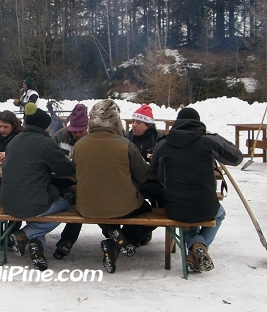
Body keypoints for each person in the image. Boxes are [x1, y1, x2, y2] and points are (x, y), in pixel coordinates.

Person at [151, 107, 243, 273]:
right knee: (219, 214)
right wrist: (216, 137)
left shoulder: (164, 143)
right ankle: (198, 247)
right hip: (206, 206)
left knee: (188, 218)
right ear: (199, 123)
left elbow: (156, 174)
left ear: (177, 124)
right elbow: (236, 157)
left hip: (175, 207)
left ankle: (196, 247)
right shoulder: (208, 141)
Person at [71, 99, 151, 274]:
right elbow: (142, 177)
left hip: (87, 207)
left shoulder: (79, 145)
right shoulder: (125, 145)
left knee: (98, 205)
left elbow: (74, 173)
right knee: (147, 209)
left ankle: (111, 232)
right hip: (123, 206)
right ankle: (124, 237)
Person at [1, 103, 75, 271]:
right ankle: (25, 234)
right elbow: (67, 169)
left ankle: (36, 246)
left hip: (8, 203)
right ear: (44, 126)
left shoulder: (13, 141)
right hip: (32, 203)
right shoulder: (45, 143)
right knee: (66, 207)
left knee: (37, 207)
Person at [51, 103, 88, 260]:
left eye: (81, 130)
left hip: (85, 183)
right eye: (75, 131)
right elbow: (49, 154)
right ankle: (32, 234)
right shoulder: (60, 136)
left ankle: (67, 240)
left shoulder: (92, 140)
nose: (77, 134)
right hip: (61, 180)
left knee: (80, 204)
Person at [126, 103, 165, 244]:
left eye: (138, 122)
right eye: (133, 121)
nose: (134, 125)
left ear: (148, 125)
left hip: (153, 182)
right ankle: (131, 235)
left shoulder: (159, 139)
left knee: (164, 207)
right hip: (132, 182)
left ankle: (139, 234)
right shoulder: (127, 137)